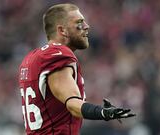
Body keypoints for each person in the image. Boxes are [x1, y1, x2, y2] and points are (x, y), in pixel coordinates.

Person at [18, 3, 135, 135]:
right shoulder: (58, 53)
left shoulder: (30, 58)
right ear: (62, 30)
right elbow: (72, 103)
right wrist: (102, 112)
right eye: (79, 23)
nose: (86, 27)